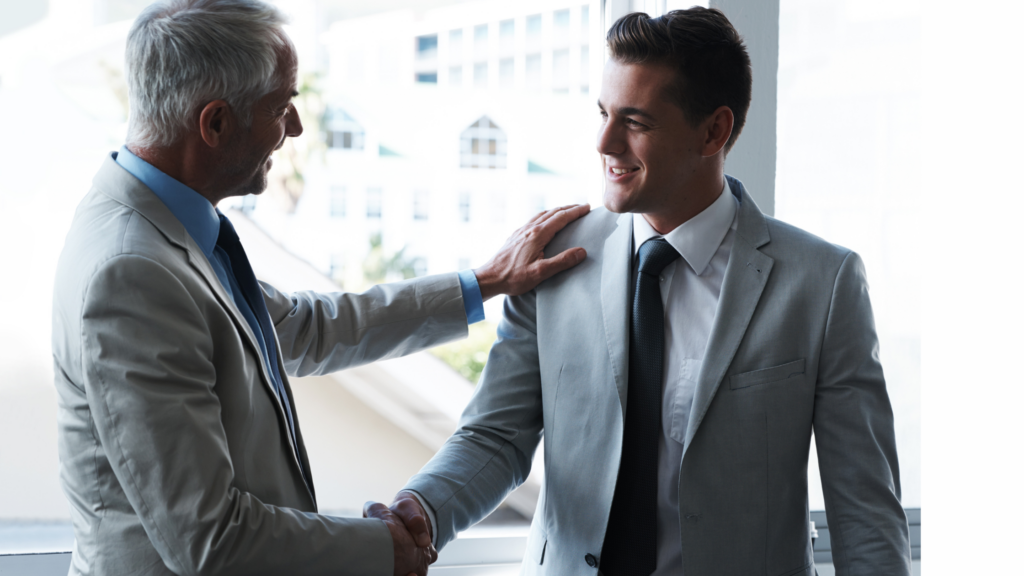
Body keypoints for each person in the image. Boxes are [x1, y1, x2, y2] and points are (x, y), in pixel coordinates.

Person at [50, 1, 588, 575]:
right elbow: (211, 540)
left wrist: (486, 282)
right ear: (215, 124)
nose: (297, 128)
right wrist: (389, 549)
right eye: (281, 107)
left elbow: (305, 328)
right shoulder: (133, 272)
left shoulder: (164, 226)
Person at [384, 8, 912, 576]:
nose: (605, 141)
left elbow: (864, 512)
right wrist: (422, 509)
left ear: (714, 131)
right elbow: (496, 436)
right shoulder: (550, 261)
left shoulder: (822, 284)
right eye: (604, 113)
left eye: (635, 121)